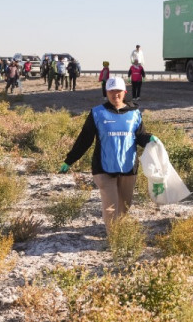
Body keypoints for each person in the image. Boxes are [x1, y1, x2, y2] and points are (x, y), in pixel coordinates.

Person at [60, 77, 156, 235]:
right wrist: (69, 160)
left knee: (124, 206)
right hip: (103, 168)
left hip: (128, 167)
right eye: (111, 91)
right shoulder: (97, 113)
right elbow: (85, 139)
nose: (115, 94)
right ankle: (114, 239)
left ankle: (119, 232)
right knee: (110, 206)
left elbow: (140, 136)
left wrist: (150, 139)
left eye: (118, 91)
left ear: (124, 92)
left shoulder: (134, 113)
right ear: (106, 92)